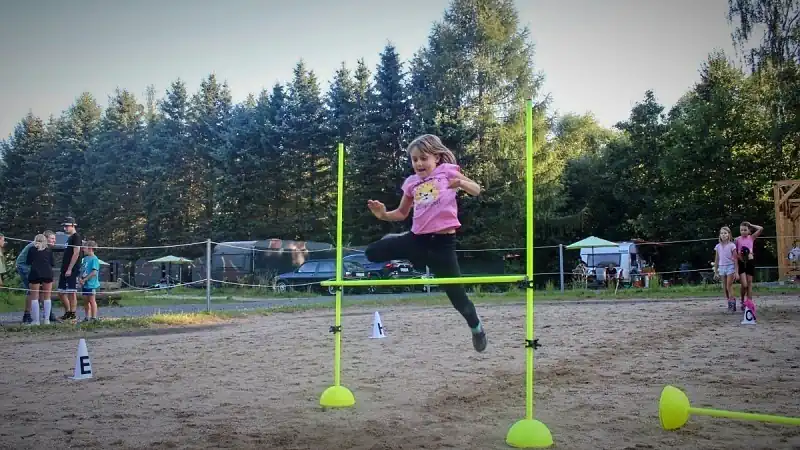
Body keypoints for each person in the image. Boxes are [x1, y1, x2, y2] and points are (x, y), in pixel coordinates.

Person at [363, 134, 488, 352]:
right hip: (417, 240)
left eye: (423, 158)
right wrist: (382, 215)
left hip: (443, 245)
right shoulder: (411, 183)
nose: (419, 163)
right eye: (414, 159)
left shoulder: (447, 171)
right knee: (372, 253)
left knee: (459, 299)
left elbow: (476, 190)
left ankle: (476, 328)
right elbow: (401, 213)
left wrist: (461, 183)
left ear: (436, 158)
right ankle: (401, 246)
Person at [18, 230, 59, 324]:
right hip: (25, 267)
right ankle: (29, 315)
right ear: (45, 238)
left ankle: (45, 316)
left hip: (36, 270)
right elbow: (28, 261)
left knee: (41, 293)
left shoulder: (45, 248)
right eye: (52, 238)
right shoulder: (34, 246)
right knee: (32, 292)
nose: (54, 241)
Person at [57, 217, 82, 322]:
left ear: (73, 225)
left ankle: (73, 314)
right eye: (64, 226)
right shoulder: (69, 238)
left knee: (72, 292)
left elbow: (76, 253)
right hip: (64, 268)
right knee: (61, 292)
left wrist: (70, 268)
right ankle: (68, 312)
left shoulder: (76, 237)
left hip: (72, 268)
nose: (65, 228)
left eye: (67, 226)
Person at [735, 221, 763, 310]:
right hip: (741, 263)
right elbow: (735, 253)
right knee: (744, 284)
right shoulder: (737, 240)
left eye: (745, 230)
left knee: (750, 283)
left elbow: (761, 229)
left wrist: (751, 225)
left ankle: (749, 302)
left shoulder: (751, 237)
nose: (743, 232)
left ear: (749, 230)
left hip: (750, 262)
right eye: (741, 230)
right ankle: (742, 300)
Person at [713, 226, 739, 311]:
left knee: (729, 286)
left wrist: (736, 272)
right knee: (724, 287)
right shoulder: (718, 246)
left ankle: (733, 302)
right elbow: (717, 259)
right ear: (720, 235)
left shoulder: (732, 245)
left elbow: (735, 259)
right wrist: (716, 271)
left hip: (730, 267)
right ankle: (729, 302)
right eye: (722, 233)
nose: (723, 235)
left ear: (729, 234)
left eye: (725, 233)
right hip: (722, 267)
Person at [78, 240, 101, 322]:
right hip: (84, 284)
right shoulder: (85, 259)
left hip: (91, 284)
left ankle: (94, 318)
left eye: (84, 247)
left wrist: (85, 279)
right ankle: (87, 317)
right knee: (85, 301)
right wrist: (80, 278)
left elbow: (94, 272)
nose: (83, 249)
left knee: (92, 300)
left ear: (90, 248)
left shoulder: (95, 259)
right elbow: (82, 270)